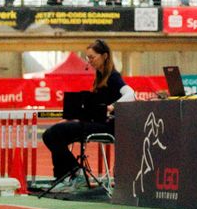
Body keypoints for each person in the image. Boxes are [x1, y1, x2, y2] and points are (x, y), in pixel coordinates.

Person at [41, 40, 133, 182]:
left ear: (104, 56)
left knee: (55, 133)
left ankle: (74, 173)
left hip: (108, 126)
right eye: (87, 58)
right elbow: (92, 109)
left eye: (92, 57)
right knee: (50, 135)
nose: (89, 61)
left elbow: (131, 94)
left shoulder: (113, 76)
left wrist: (113, 106)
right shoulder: (99, 77)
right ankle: (65, 175)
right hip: (96, 122)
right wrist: (72, 118)